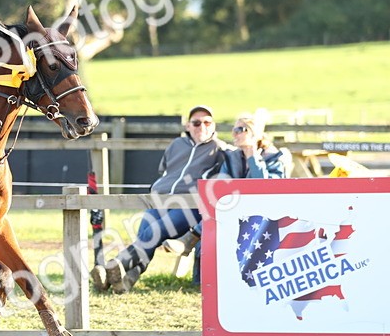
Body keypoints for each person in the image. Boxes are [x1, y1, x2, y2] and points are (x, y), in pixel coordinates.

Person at [91, 105, 226, 294]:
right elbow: (164, 170)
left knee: (151, 233)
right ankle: (126, 281)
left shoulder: (220, 150)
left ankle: (113, 266)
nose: (201, 126)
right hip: (160, 200)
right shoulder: (176, 145)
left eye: (207, 122)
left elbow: (232, 168)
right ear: (188, 126)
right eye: (196, 122)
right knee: (144, 235)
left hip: (189, 206)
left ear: (213, 126)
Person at [163, 112, 291, 284]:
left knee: (221, 213)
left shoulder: (274, 158)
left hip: (264, 214)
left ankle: (190, 238)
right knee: (216, 212)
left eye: (240, 129)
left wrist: (253, 158)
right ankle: (202, 280)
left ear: (254, 133)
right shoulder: (232, 158)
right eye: (234, 130)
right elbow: (222, 188)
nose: (235, 134)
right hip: (233, 211)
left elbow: (267, 190)